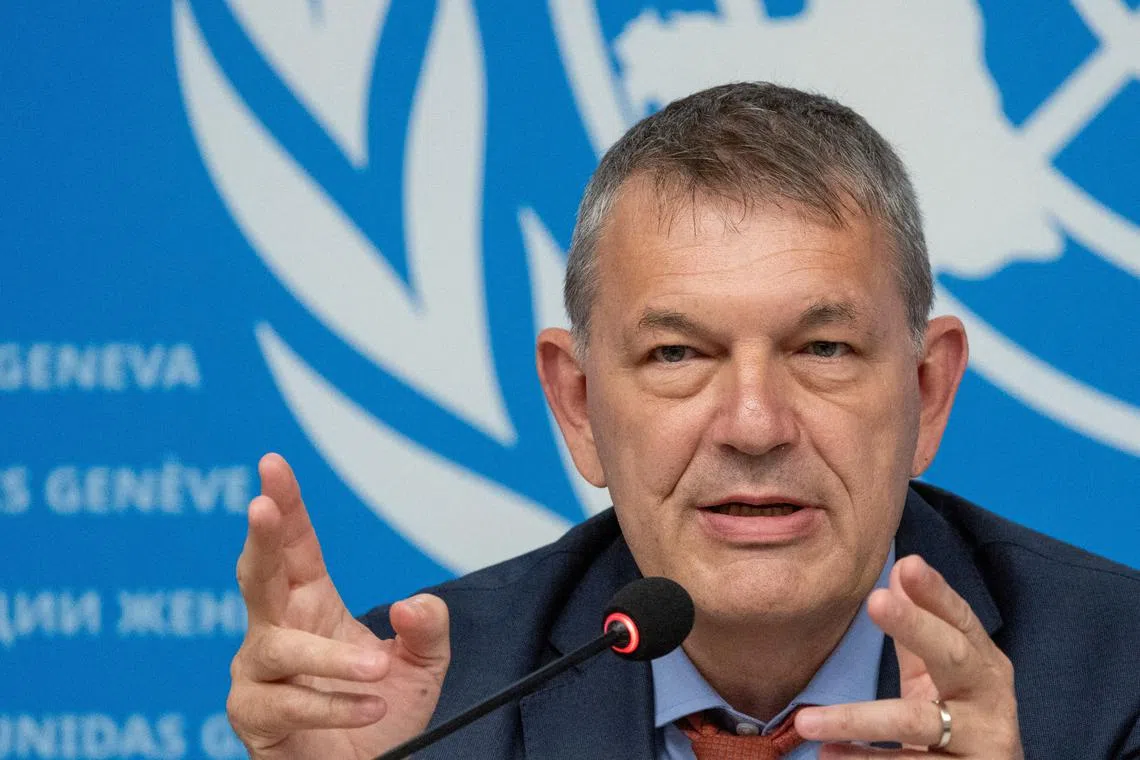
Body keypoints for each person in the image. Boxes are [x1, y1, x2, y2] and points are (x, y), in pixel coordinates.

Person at [224, 83, 1140, 759]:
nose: (753, 424)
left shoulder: (1120, 682)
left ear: (927, 391)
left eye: (822, 349)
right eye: (678, 356)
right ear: (578, 405)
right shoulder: (419, 710)